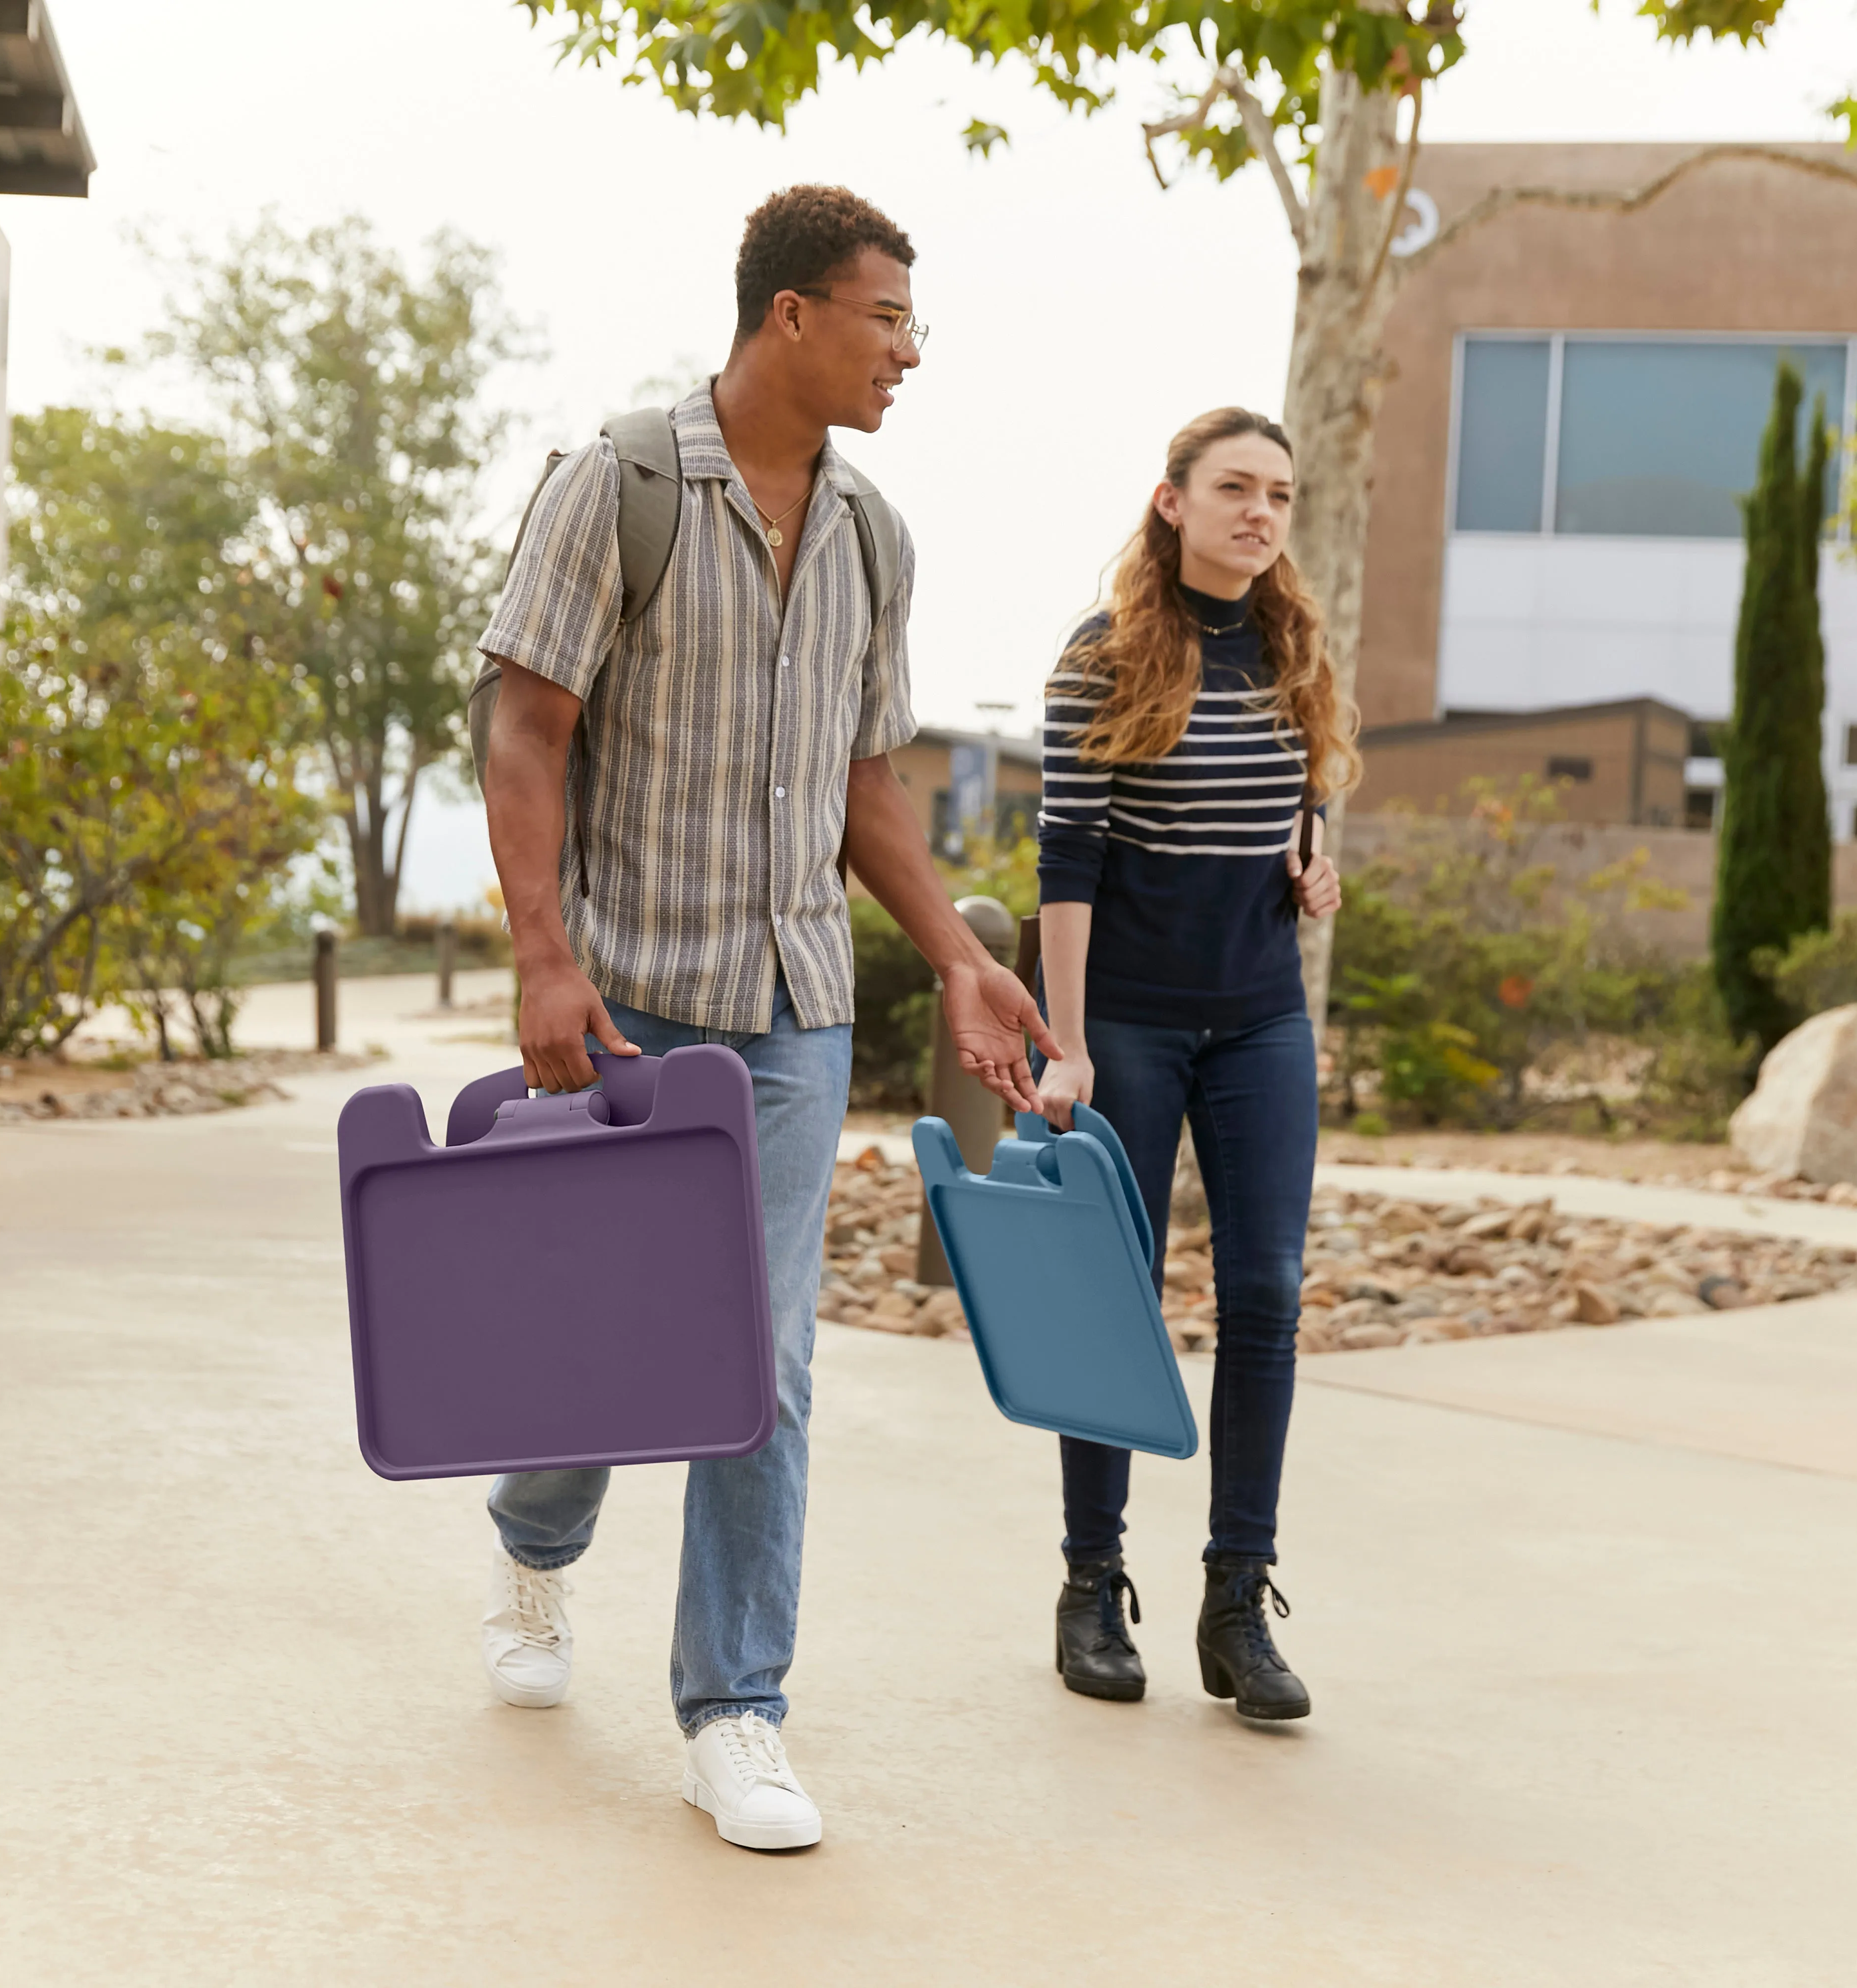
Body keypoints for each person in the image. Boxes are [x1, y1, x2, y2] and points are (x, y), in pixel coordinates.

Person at [475, 184, 1056, 1852]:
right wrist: (542, 955)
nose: (909, 355)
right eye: (888, 320)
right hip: (631, 993)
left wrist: (950, 949)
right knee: (604, 1346)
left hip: (795, 1011)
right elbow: (528, 728)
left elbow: (868, 787)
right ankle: (535, 1552)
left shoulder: (876, 532)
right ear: (790, 314)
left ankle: (735, 1708)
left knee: (762, 1361)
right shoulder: (623, 487)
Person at [1033, 406, 1358, 1719]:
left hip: (1263, 1017)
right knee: (1115, 1298)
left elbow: (1301, 805)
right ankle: (1092, 1581)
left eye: (1278, 494)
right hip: (1127, 1020)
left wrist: (1315, 862)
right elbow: (1069, 861)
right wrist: (1065, 1046)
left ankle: (1239, 1600)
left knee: (1267, 1295)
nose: (1260, 512)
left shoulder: (1293, 647)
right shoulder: (1101, 655)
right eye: (1234, 487)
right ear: (1172, 501)